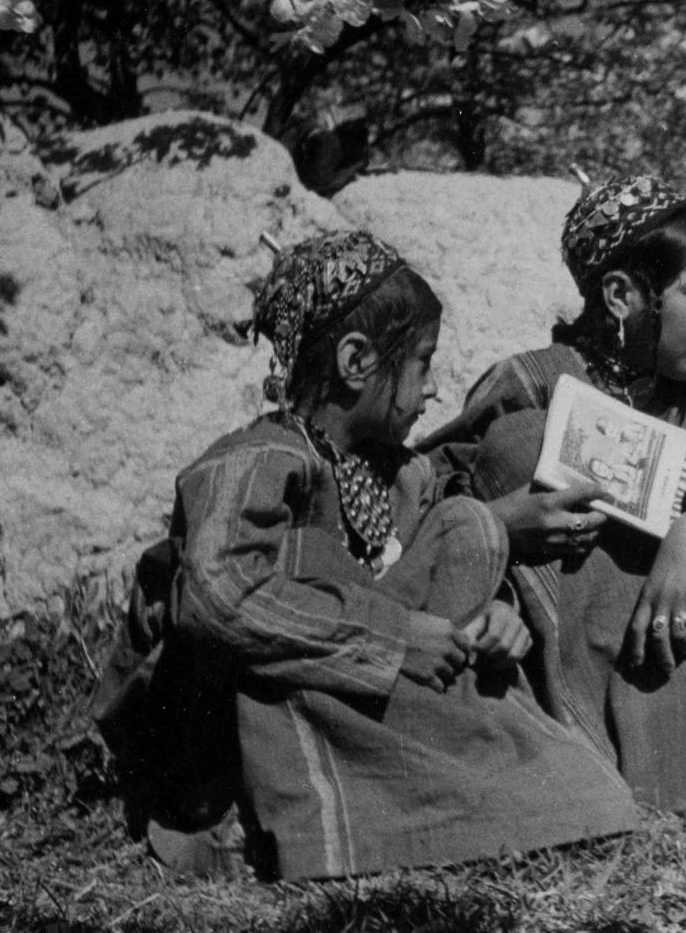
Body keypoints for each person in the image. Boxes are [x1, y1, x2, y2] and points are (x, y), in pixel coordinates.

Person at [163, 231, 640, 880]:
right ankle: (299, 820)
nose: (436, 387)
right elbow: (217, 596)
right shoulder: (261, 459)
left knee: (588, 792)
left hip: (378, 698)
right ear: (357, 360)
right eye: (421, 362)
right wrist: (397, 636)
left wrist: (497, 618)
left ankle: (418, 798)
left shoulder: (403, 474)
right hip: (286, 713)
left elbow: (434, 575)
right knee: (309, 556)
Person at [418, 175, 686, 810]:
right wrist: (503, 530)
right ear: (620, 295)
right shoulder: (532, 383)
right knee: (519, 446)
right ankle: (582, 759)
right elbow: (437, 488)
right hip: (564, 651)